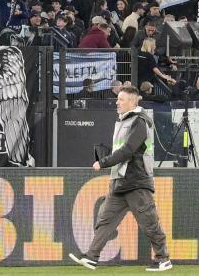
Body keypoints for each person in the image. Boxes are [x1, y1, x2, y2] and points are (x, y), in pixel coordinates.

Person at [69, 84, 172, 271]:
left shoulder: (140, 121)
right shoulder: (124, 120)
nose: (117, 102)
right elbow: (122, 150)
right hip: (120, 181)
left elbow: (128, 150)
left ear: (132, 102)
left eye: (121, 99)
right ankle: (92, 257)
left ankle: (163, 258)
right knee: (105, 220)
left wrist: (104, 162)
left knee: (149, 222)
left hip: (137, 181)